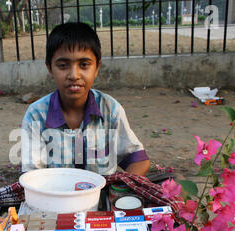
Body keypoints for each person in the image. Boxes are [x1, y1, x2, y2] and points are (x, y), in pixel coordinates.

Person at [21, 22, 150, 176]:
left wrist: (121, 189)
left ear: (97, 67)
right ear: (50, 68)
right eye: (63, 65)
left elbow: (137, 159)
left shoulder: (110, 109)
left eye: (84, 64)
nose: (74, 75)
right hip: (55, 197)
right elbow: (32, 177)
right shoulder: (36, 116)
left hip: (102, 196)